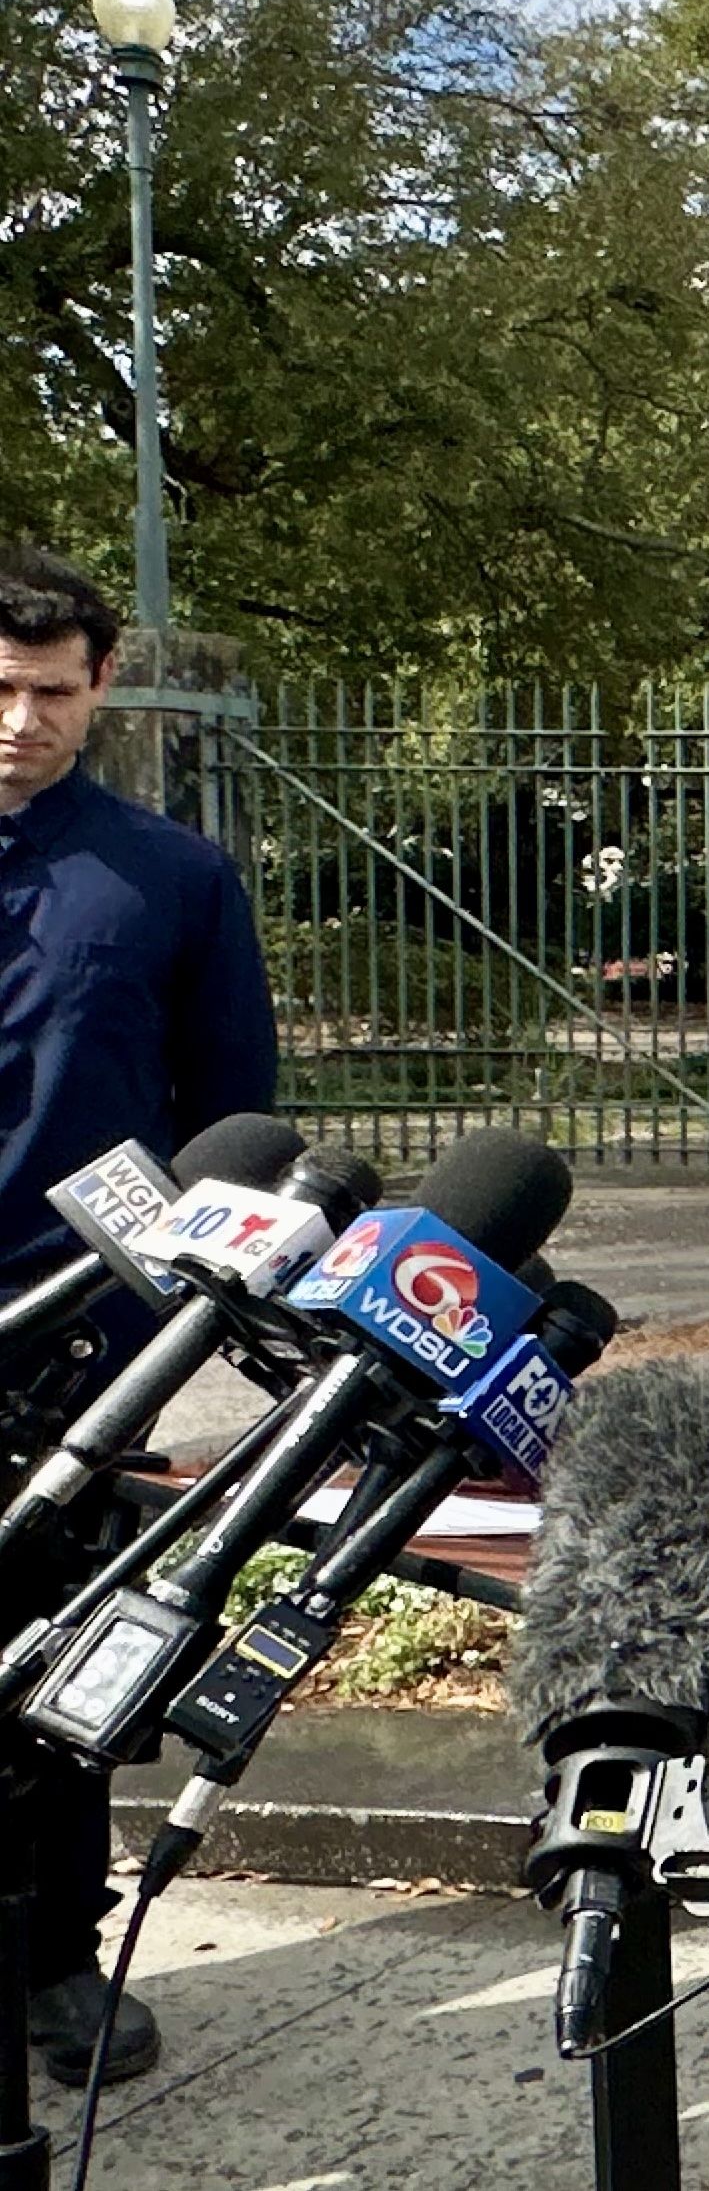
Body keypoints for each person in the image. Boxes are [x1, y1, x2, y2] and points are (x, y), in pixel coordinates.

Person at [0, 544, 276, 2089]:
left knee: (59, 1671)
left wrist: (170, 1317)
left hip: (73, 1351)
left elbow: (232, 1119)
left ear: (99, 687)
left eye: (51, 692)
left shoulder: (170, 878)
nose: (21, 721)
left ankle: (56, 1965)